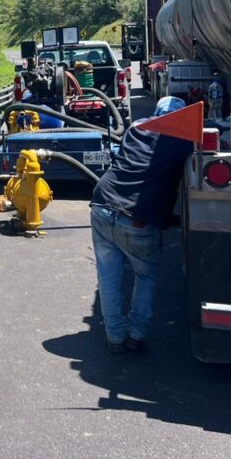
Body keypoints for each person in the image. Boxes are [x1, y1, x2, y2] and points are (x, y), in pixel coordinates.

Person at [89, 96, 193, 353]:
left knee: (108, 277)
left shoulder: (137, 128)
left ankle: (114, 338)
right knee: (145, 275)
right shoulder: (185, 141)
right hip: (138, 217)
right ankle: (136, 335)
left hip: (103, 204)